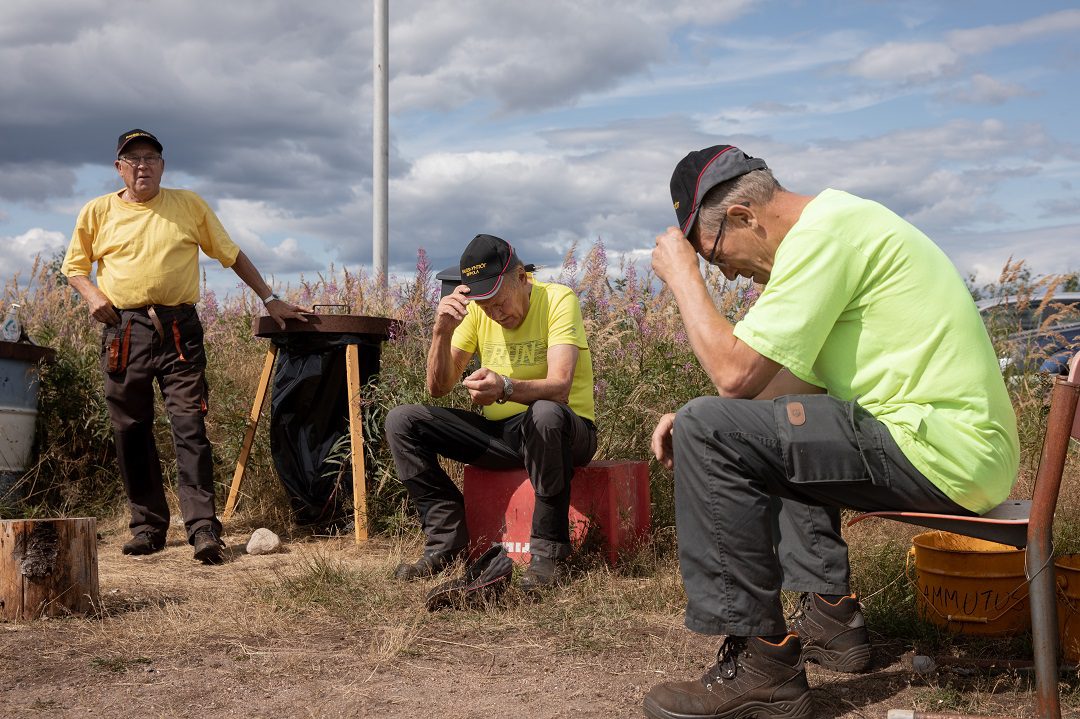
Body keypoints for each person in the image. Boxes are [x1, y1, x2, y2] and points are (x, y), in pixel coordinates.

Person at [643, 145, 1019, 719]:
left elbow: (734, 372)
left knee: (716, 426)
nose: (730, 274)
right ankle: (830, 618)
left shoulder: (825, 235)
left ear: (744, 217)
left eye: (717, 257)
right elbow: (773, 391)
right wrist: (700, 416)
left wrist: (682, 276)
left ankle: (762, 666)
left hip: (941, 447)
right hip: (950, 446)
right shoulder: (839, 227)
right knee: (744, 425)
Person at [61, 129, 307, 564]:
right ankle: (148, 527)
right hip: (124, 330)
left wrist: (270, 299)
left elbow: (230, 255)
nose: (142, 165)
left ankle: (203, 530)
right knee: (130, 429)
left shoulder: (188, 205)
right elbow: (75, 267)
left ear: (162, 165)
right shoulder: (97, 212)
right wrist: (92, 294)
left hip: (179, 331)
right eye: (133, 158)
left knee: (189, 427)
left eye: (151, 157)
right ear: (119, 167)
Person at [385, 233, 597, 590]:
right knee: (402, 420)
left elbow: (560, 387)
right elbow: (438, 387)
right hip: (504, 436)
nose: (495, 314)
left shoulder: (558, 299)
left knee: (544, 412)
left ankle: (548, 552)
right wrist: (441, 332)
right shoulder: (480, 313)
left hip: (566, 430)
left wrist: (505, 387)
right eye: (485, 307)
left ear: (522, 278)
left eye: (499, 302)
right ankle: (445, 542)